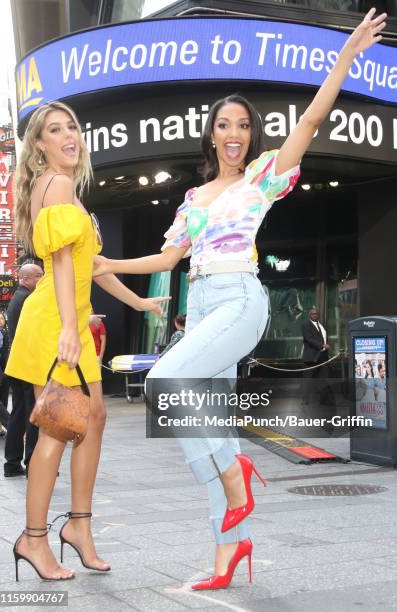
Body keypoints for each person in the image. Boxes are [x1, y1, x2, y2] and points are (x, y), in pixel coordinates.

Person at [95, 9, 387, 590]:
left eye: (243, 126)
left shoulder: (260, 177)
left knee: (163, 385)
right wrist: (108, 264)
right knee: (210, 428)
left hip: (239, 299)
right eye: (224, 125)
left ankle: (235, 475)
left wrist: (347, 57)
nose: (233, 134)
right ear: (211, 133)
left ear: (251, 135)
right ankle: (229, 549)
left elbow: (310, 120)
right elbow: (166, 260)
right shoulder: (194, 196)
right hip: (201, 304)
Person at [5, 100, 169, 581]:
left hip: (68, 318)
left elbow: (90, 266)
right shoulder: (54, 184)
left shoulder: (68, 192)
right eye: (55, 130)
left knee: (92, 421)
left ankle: (78, 526)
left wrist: (138, 304)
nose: (68, 136)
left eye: (72, 126)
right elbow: (58, 264)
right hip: (56, 325)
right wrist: (72, 332)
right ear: (40, 147)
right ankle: (33, 540)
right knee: (58, 429)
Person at [4, 264, 43, 477]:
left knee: (19, 413)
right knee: (32, 414)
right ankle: (33, 464)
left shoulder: (18, 297)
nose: (42, 279)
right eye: (39, 276)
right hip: (28, 363)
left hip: (16, 363)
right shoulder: (28, 299)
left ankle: (12, 464)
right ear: (25, 278)